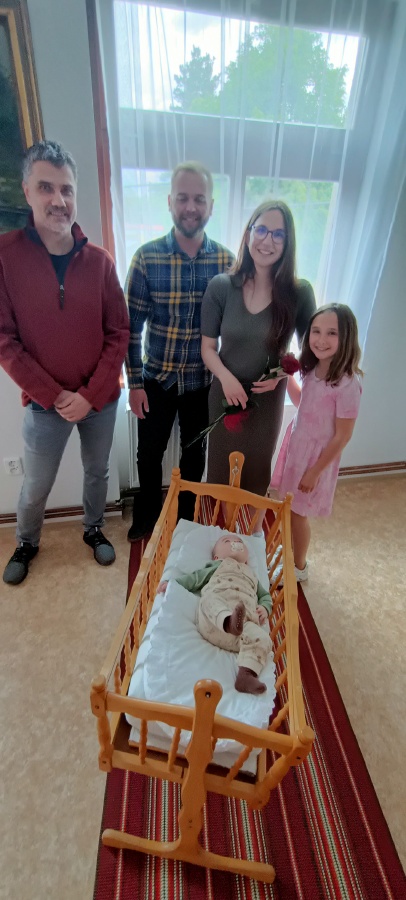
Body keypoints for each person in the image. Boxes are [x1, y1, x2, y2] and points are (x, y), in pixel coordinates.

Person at [0, 140, 129, 586]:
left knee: (97, 472)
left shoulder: (101, 262)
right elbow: (5, 340)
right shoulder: (5, 256)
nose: (59, 200)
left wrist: (89, 396)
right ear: (27, 191)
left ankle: (93, 529)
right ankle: (26, 542)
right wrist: (55, 396)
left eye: (67, 189)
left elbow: (119, 333)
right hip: (44, 405)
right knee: (36, 484)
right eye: (46, 187)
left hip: (100, 401)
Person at [125, 162, 234, 541]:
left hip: (202, 383)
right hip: (157, 379)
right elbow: (130, 328)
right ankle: (147, 517)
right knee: (148, 454)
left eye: (199, 199)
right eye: (183, 198)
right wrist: (134, 384)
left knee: (194, 455)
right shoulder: (146, 258)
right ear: (170, 202)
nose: (191, 207)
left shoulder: (227, 263)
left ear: (211, 206)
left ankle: (186, 518)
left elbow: (235, 325)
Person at [201, 199, 316, 518]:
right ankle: (227, 537)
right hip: (224, 398)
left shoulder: (299, 292)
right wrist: (226, 378)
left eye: (278, 234)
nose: (268, 240)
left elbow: (312, 352)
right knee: (223, 479)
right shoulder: (221, 287)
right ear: (249, 233)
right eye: (261, 229)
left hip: (267, 404)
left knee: (255, 480)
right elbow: (207, 348)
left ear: (288, 242)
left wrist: (282, 373)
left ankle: (250, 540)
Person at [271, 304, 363, 581]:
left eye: (332, 333)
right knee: (290, 507)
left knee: (299, 514)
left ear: (346, 337)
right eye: (316, 331)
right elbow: (303, 402)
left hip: (316, 460)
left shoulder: (348, 384)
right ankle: (290, 552)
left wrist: (314, 472)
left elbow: (343, 435)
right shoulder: (312, 370)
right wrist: (287, 375)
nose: (321, 340)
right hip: (297, 450)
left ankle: (299, 566)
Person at [158, 534, 272, 694]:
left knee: (263, 638)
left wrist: (265, 608)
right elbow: (194, 579)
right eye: (227, 541)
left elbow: (265, 596)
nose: (234, 543)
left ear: (246, 559)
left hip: (242, 630)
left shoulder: (252, 575)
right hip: (214, 623)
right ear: (216, 557)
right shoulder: (218, 565)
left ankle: (246, 674)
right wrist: (172, 583)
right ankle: (228, 621)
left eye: (239, 542)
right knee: (208, 600)